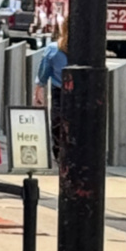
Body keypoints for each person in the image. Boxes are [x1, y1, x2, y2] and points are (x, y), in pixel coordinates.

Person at [35, 18, 69, 157]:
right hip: (83, 91)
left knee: (58, 122)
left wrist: (38, 88)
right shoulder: (89, 48)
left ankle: (59, 153)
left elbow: (44, 71)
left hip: (60, 91)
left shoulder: (54, 48)